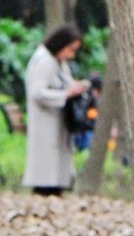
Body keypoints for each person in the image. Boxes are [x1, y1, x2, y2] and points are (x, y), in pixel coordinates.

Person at [24, 21, 89, 194]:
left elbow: (65, 82)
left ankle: (56, 190)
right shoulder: (44, 61)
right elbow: (37, 92)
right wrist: (66, 94)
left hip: (58, 122)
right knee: (46, 167)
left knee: (57, 165)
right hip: (45, 122)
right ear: (60, 45)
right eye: (71, 50)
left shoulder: (58, 61)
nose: (71, 55)